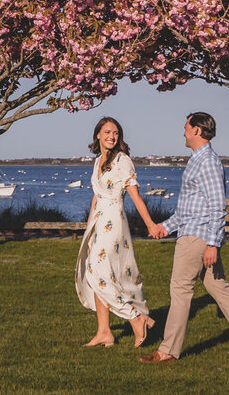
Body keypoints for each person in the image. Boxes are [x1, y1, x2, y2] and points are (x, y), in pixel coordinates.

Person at [138, 112, 229, 363]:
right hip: (196, 233)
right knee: (219, 287)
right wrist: (166, 226)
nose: (183, 131)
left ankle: (167, 351)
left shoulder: (207, 161)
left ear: (196, 130)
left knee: (180, 290)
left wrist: (213, 244)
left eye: (186, 127)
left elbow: (217, 207)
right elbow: (190, 209)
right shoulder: (198, 160)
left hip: (197, 238)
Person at [75, 116, 159, 347]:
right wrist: (88, 225)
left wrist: (150, 224)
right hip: (97, 222)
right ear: (98, 135)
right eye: (108, 132)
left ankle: (135, 317)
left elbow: (135, 196)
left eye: (116, 133)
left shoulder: (123, 161)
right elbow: (96, 195)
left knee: (96, 271)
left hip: (113, 221)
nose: (112, 137)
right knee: (101, 275)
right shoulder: (98, 161)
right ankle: (104, 332)